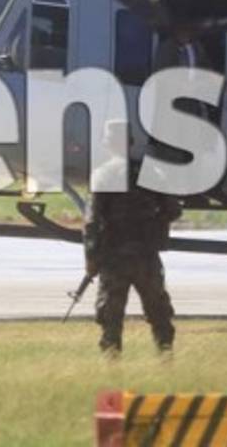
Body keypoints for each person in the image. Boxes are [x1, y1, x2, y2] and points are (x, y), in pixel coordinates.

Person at [83, 127, 181, 357]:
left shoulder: (103, 175)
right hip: (146, 254)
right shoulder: (151, 172)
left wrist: (91, 258)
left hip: (114, 256)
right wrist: (153, 224)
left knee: (111, 314)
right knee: (158, 310)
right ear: (130, 143)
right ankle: (165, 355)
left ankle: (111, 361)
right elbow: (173, 209)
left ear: (108, 144)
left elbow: (91, 222)